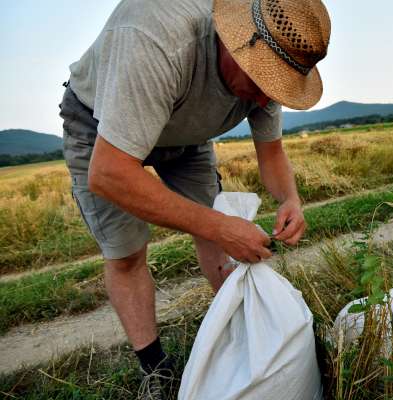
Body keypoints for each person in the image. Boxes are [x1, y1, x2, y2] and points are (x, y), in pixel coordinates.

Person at [58, 0, 331, 398]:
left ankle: (244, 329)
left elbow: (271, 152)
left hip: (186, 136)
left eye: (276, 87)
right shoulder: (155, 42)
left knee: (216, 234)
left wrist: (290, 197)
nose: (263, 100)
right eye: (261, 82)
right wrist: (220, 226)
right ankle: (156, 369)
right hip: (101, 128)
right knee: (126, 252)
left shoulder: (272, 65)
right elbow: (111, 174)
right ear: (237, 43)